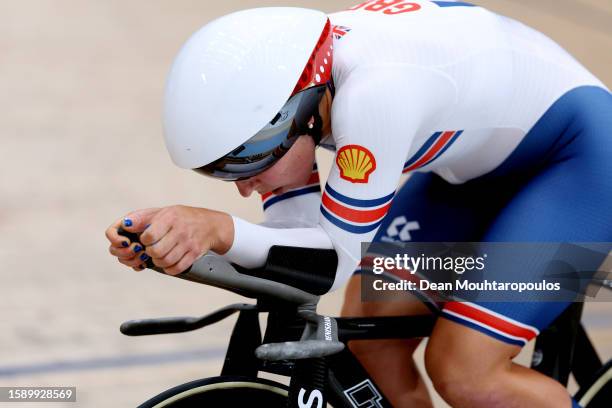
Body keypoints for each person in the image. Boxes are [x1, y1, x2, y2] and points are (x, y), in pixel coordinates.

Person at [105, 2, 612, 407]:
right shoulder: (302, 81)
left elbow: (329, 261)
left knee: (466, 372)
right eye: (219, 170)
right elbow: (296, 236)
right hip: (472, 172)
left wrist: (218, 230)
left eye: (248, 162)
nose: (242, 187)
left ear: (300, 115)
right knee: (371, 345)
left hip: (578, 160)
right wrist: (181, 245)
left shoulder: (374, 97)